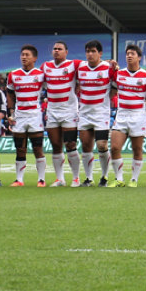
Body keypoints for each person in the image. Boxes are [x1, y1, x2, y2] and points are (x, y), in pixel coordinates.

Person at [41, 41, 83, 186]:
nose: (56, 51)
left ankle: (76, 178)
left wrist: (109, 62)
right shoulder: (45, 66)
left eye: (60, 49)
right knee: (56, 145)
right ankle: (60, 179)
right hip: (52, 111)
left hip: (69, 111)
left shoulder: (74, 64)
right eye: (54, 49)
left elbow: (92, 65)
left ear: (66, 52)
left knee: (70, 144)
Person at [76, 40, 117, 187]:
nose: (90, 54)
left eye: (93, 51)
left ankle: (104, 177)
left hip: (101, 113)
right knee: (86, 146)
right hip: (84, 113)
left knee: (101, 145)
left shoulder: (108, 68)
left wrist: (106, 99)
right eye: (87, 51)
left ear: (100, 53)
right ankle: (88, 178)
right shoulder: (80, 67)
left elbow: (115, 86)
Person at [6, 45, 48, 186]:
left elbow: (52, 87)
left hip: (35, 115)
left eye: (27, 55)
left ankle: (41, 179)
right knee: (20, 148)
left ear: (34, 58)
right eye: (22, 54)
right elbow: (10, 94)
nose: (24, 57)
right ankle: (19, 180)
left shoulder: (41, 74)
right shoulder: (13, 74)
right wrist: (10, 112)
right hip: (19, 115)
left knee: (37, 148)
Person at [109, 44, 146, 187]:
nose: (129, 56)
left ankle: (134, 179)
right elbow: (111, 91)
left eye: (132, 53)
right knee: (114, 148)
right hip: (122, 114)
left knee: (137, 149)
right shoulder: (118, 74)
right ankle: (119, 179)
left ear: (139, 57)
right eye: (127, 54)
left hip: (138, 115)